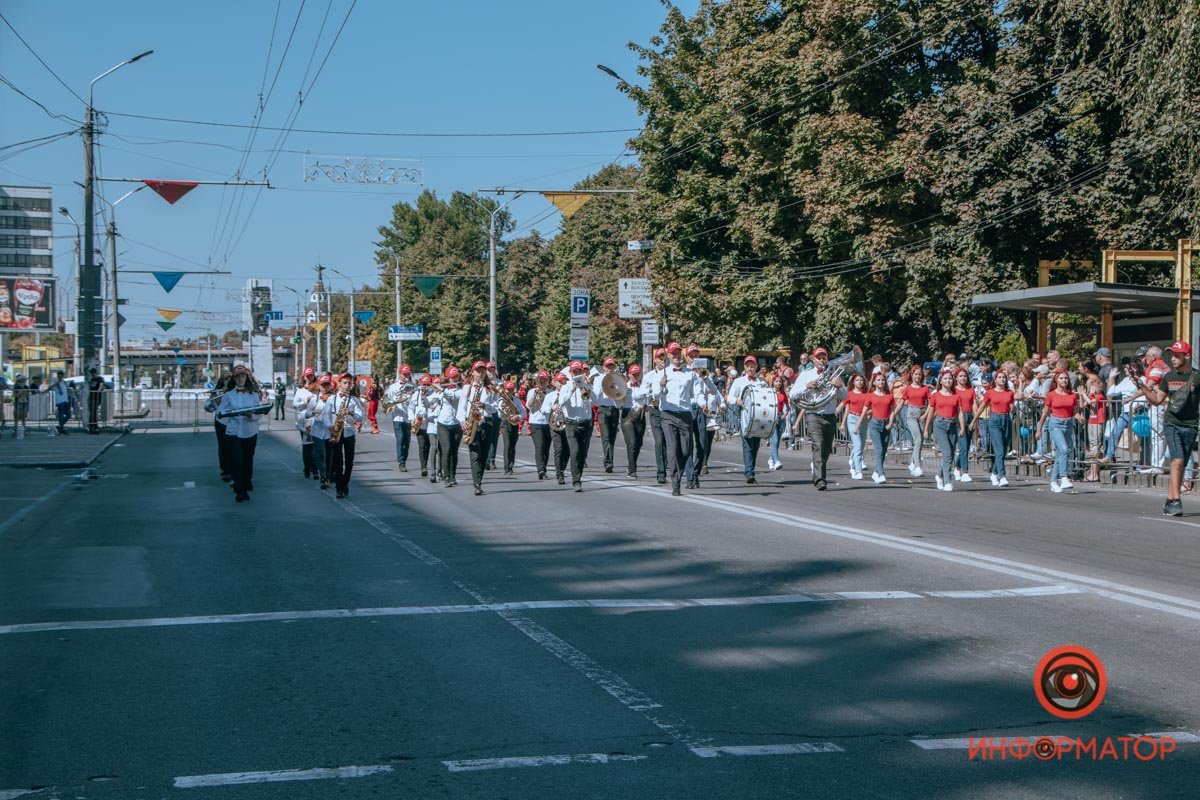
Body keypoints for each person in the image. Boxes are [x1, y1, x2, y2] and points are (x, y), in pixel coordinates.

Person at [1142, 341, 1200, 515]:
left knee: (1181, 465)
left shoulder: (1197, 376)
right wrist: (1143, 387)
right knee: (1178, 461)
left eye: (1177, 355)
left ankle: (1169, 500)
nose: (1173, 359)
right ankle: (1176, 501)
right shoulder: (1168, 377)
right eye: (1172, 355)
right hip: (1171, 423)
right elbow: (1157, 399)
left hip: (1190, 425)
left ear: (1187, 356)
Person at [790, 346, 845, 490]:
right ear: (813, 359)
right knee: (818, 445)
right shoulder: (806, 375)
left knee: (826, 449)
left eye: (824, 357)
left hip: (830, 415)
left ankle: (817, 468)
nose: (821, 360)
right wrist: (806, 387)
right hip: (813, 414)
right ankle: (820, 479)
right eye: (818, 358)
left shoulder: (834, 374)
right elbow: (793, 395)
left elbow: (845, 397)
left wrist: (840, 387)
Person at [653, 342, 703, 495]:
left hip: (685, 415)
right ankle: (676, 482)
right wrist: (661, 386)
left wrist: (703, 404)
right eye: (673, 353)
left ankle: (678, 472)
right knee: (672, 449)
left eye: (678, 353)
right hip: (668, 414)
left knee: (686, 450)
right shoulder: (662, 374)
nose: (676, 356)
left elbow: (698, 393)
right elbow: (655, 395)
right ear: (668, 355)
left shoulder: (691, 374)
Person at [216, 365, 268, 503]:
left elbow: (258, 414)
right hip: (233, 432)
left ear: (247, 378)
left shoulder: (254, 395)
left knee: (247, 460)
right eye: (238, 377)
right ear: (234, 378)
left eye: (243, 376)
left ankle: (247, 481)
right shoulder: (228, 395)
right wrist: (231, 416)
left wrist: (250, 416)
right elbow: (220, 413)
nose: (240, 379)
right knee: (236, 461)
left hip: (249, 431)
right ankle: (240, 490)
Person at [1035, 368, 1082, 494]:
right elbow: (1045, 414)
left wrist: (1080, 418)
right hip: (1055, 423)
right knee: (1064, 449)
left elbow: (1075, 412)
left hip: (1068, 424)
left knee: (1061, 453)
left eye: (1066, 378)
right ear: (1056, 380)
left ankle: (1053, 481)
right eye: (1061, 378)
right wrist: (1039, 429)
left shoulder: (1072, 395)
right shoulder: (1051, 395)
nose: (1064, 380)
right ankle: (1064, 477)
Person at [550, 361, 595, 492]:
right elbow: (562, 402)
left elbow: (597, 400)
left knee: (582, 454)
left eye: (579, 371)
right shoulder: (566, 386)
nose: (577, 373)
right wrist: (573, 388)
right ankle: (576, 481)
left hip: (585, 423)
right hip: (571, 423)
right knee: (574, 452)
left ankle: (578, 475)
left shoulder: (587, 385)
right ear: (570, 373)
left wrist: (589, 387)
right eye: (574, 371)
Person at [460, 361, 500, 495]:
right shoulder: (467, 388)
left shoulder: (490, 388)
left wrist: (485, 406)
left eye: (483, 371)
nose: (481, 373)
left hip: (487, 422)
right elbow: (462, 406)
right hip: (472, 423)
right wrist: (462, 421)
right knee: (475, 453)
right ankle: (477, 483)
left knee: (484, 454)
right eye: (478, 371)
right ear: (473, 372)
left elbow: (496, 407)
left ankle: (479, 479)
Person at [727, 354, 769, 484]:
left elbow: (767, 397)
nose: (750, 368)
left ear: (756, 367)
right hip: (745, 417)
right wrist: (737, 400)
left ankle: (751, 469)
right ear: (745, 367)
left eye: (753, 366)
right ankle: (749, 472)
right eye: (748, 366)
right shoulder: (739, 381)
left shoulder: (762, 382)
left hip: (759, 418)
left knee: (755, 445)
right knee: (747, 445)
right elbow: (729, 397)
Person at [324, 373, 365, 499]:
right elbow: (326, 415)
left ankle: (345, 482)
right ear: (340, 383)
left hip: (348, 432)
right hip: (336, 432)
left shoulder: (354, 400)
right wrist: (330, 426)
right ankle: (339, 488)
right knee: (337, 461)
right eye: (345, 383)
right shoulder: (332, 399)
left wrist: (351, 413)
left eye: (349, 383)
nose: (347, 386)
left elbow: (360, 417)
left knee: (349, 462)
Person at [924, 368, 965, 492]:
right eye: (945, 378)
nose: (948, 380)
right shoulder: (935, 395)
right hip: (939, 424)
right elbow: (931, 413)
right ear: (941, 381)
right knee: (947, 453)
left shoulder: (956, 396)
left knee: (951, 455)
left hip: (952, 424)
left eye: (950, 378)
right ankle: (948, 481)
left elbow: (960, 413)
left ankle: (939, 475)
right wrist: (926, 429)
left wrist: (962, 427)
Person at [974, 368, 1015, 486]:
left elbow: (1012, 407)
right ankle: (1002, 476)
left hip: (1006, 419)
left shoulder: (1009, 392)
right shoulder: (990, 392)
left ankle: (994, 473)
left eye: (1004, 378)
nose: (1002, 379)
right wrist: (974, 420)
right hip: (994, 420)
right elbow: (982, 407)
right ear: (995, 380)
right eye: (1000, 377)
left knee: (1004, 450)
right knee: (999, 449)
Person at [859, 371, 898, 483]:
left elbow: (892, 411)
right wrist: (858, 425)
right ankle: (881, 474)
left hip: (886, 424)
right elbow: (865, 410)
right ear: (874, 382)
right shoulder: (870, 395)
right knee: (879, 449)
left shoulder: (889, 396)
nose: (881, 382)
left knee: (884, 451)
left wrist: (890, 423)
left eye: (882, 380)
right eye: (879, 380)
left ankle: (876, 472)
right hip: (875, 424)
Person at [435, 367, 465, 488]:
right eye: (452, 377)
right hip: (443, 423)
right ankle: (446, 476)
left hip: (457, 423)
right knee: (446, 450)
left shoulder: (461, 390)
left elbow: (454, 396)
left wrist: (442, 390)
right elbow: (430, 402)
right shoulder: (441, 390)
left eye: (457, 376)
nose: (455, 379)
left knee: (454, 451)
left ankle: (453, 475)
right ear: (448, 378)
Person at [592, 357, 623, 473]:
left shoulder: (618, 379)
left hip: (614, 409)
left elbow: (621, 394)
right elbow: (595, 396)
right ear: (604, 367)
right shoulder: (598, 379)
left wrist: (616, 387)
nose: (610, 368)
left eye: (612, 366)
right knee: (606, 437)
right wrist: (604, 383)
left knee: (612, 437)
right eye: (608, 366)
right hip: (603, 409)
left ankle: (610, 459)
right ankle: (608, 462)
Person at [305, 373, 334, 490]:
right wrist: (313, 412)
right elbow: (306, 414)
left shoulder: (333, 398)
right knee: (321, 455)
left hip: (329, 431)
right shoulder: (314, 399)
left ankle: (328, 475)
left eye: (327, 385)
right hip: (317, 431)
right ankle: (323, 477)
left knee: (329, 456)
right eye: (323, 385)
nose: (325, 388)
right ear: (319, 386)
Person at [838, 373, 870, 480]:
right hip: (852, 419)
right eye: (857, 380)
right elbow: (842, 407)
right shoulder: (849, 394)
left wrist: (868, 413)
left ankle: (852, 461)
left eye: (861, 380)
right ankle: (857, 470)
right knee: (858, 444)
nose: (860, 382)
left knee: (861, 445)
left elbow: (872, 407)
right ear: (853, 382)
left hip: (863, 420)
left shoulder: (867, 394)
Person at [644, 348, 669, 484]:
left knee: (668, 441)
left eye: (664, 357)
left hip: (668, 410)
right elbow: (642, 391)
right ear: (655, 360)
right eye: (660, 358)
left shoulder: (671, 373)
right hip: (655, 409)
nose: (662, 360)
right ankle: (661, 472)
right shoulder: (649, 375)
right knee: (659, 441)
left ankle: (666, 465)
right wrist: (651, 390)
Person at [899, 365, 930, 475]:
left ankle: (912, 462)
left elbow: (931, 403)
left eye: (919, 374)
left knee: (920, 441)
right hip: (911, 413)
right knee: (917, 440)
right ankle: (917, 466)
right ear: (912, 375)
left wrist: (926, 415)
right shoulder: (908, 388)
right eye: (916, 374)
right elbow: (902, 402)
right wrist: (893, 413)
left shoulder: (925, 388)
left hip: (922, 413)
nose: (917, 376)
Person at [293, 368, 319, 480]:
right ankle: (306, 468)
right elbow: (294, 404)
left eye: (311, 376)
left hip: (315, 419)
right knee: (307, 446)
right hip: (304, 419)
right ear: (304, 377)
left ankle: (315, 469)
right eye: (307, 376)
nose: (309, 378)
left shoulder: (317, 389)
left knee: (315, 446)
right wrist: (304, 402)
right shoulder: (300, 390)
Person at [526, 370, 554, 480]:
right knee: (540, 446)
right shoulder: (532, 391)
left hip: (548, 422)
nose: (542, 383)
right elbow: (529, 406)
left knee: (546, 448)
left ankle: (544, 468)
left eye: (544, 381)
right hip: (536, 422)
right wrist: (536, 393)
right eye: (540, 381)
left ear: (548, 381)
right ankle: (540, 470)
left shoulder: (551, 392)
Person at [622, 364, 648, 478]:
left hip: (640, 415)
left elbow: (647, 399)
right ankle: (632, 469)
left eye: (638, 374)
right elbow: (617, 401)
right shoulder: (625, 387)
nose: (636, 376)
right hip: (628, 415)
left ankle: (631, 466)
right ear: (629, 375)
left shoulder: (643, 386)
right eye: (634, 374)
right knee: (631, 442)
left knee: (638, 443)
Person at [388, 366, 415, 471]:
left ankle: (404, 459)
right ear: (400, 374)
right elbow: (388, 400)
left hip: (408, 416)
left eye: (407, 374)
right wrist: (391, 405)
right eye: (404, 374)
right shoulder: (393, 387)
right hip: (397, 416)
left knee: (407, 441)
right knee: (400, 439)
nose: (406, 376)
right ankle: (401, 462)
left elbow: (415, 401)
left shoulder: (412, 386)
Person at [953, 368, 977, 482]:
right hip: (958, 418)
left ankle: (957, 467)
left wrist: (975, 419)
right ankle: (965, 472)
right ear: (956, 378)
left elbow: (974, 405)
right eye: (961, 376)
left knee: (966, 447)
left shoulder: (970, 390)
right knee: (963, 446)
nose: (963, 378)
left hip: (969, 417)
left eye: (965, 376)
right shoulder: (954, 390)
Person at [408, 374, 435, 477]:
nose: (426, 387)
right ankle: (423, 466)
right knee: (422, 446)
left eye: (428, 385)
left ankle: (433, 466)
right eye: (424, 384)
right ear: (420, 384)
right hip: (420, 424)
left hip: (430, 424)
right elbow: (410, 408)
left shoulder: (433, 394)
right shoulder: (416, 395)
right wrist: (411, 419)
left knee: (431, 446)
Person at [499, 380, 525, 476]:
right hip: (505, 423)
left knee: (513, 445)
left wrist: (518, 416)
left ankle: (511, 465)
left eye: (511, 390)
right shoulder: (501, 400)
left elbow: (523, 412)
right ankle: (507, 468)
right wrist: (510, 415)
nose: (510, 392)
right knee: (507, 444)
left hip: (514, 423)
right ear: (504, 390)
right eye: (508, 390)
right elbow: (500, 411)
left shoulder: (517, 400)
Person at [11, 374, 33, 439]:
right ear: (20, 380)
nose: (25, 380)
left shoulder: (26, 386)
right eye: (24, 379)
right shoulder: (16, 386)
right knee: (17, 417)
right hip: (18, 403)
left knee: (23, 417)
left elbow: (28, 394)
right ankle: (16, 430)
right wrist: (20, 392)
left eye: (25, 379)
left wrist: (26, 394)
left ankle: (23, 430)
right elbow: (15, 395)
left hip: (24, 402)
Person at [86, 368, 106, 434]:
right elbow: (90, 387)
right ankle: (92, 425)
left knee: (94, 412)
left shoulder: (100, 379)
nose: (92, 375)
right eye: (91, 374)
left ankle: (94, 425)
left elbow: (101, 386)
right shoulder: (92, 379)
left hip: (96, 397)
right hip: (91, 397)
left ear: (95, 373)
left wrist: (98, 391)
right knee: (92, 412)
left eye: (93, 373)